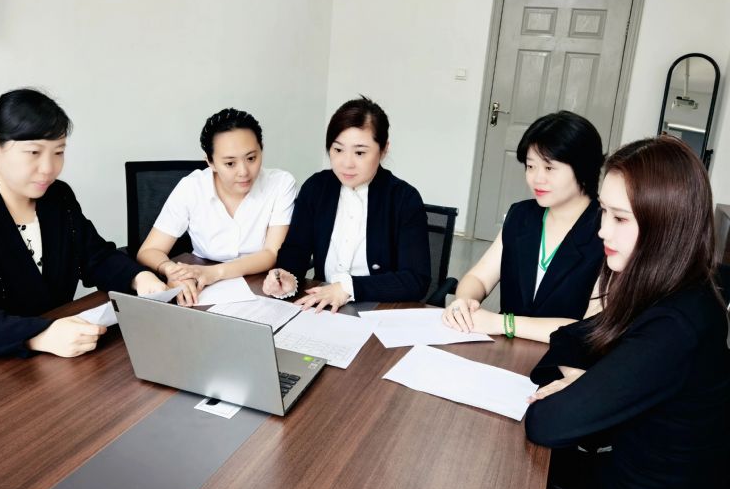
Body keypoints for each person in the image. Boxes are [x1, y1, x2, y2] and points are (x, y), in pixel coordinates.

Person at [525, 135, 730, 489]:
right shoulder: (663, 285)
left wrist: (584, 385)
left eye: (620, 218)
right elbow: (568, 340)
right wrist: (584, 380)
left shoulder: (677, 324)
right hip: (622, 470)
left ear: (666, 225)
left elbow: (546, 423)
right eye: (604, 211)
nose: (603, 230)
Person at [0, 89, 167, 361]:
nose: (48, 168)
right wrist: (38, 335)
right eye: (33, 152)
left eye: (58, 152)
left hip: (60, 358)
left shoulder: (58, 197)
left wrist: (140, 278)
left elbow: (95, 255)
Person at [442, 111, 604, 343]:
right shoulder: (521, 215)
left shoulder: (607, 230)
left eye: (549, 168)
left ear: (583, 168)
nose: (536, 179)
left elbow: (591, 328)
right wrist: (465, 302)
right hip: (505, 349)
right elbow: (479, 277)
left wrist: (503, 323)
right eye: (530, 166)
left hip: (564, 358)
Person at [262, 96, 431, 311]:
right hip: (323, 307)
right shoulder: (316, 188)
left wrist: (347, 288)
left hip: (381, 310)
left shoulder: (404, 199)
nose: (346, 163)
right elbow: (296, 250)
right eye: (338, 150)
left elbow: (416, 280)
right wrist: (286, 276)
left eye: (360, 152)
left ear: (384, 149)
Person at [137, 108, 295, 305]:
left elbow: (271, 253)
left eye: (251, 158)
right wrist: (173, 271)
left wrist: (214, 273)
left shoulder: (280, 184)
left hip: (261, 287)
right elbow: (149, 250)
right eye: (230, 163)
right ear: (210, 162)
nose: (244, 172)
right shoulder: (192, 187)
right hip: (202, 288)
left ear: (261, 150)